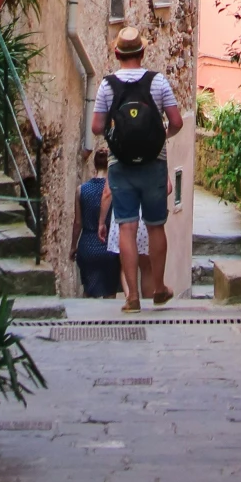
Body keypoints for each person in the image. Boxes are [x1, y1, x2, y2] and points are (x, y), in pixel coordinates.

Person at [90, 23, 183, 311]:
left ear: (117, 53)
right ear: (142, 52)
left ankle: (131, 296)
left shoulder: (107, 85)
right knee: (156, 226)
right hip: (154, 164)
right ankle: (158, 287)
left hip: (121, 166)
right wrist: (161, 138)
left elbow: (96, 127)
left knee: (127, 227)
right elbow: (177, 122)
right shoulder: (158, 82)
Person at [72, 147, 121, 298]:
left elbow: (78, 222)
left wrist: (73, 247)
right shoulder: (115, 189)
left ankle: (85, 319)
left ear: (94, 164)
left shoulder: (81, 190)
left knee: (88, 290)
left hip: (87, 245)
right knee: (110, 292)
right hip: (110, 246)